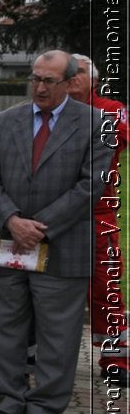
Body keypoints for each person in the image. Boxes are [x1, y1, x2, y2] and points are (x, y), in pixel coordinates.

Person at [0, 51, 107, 414]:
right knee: (5, 329)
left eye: (49, 81)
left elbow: (90, 185)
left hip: (62, 246)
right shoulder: (3, 122)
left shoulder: (96, 124)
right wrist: (13, 220)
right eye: (35, 79)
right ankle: (10, 401)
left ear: (70, 83)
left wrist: (40, 228)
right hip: (7, 242)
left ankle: (44, 409)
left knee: (58, 334)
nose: (40, 87)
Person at [65, 54, 128, 384]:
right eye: (68, 74)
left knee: (106, 288)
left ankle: (117, 361)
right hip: (57, 214)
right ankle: (32, 357)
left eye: (78, 75)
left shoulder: (111, 108)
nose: (71, 79)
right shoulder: (52, 110)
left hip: (98, 215)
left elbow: (114, 141)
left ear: (93, 80)